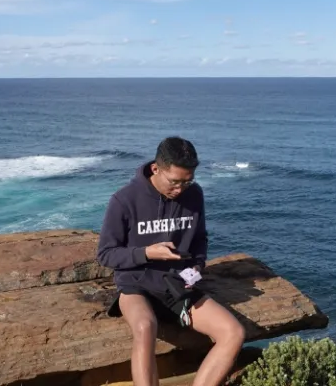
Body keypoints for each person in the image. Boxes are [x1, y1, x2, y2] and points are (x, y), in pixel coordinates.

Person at [97, 136, 245, 386]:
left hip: (178, 284)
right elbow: (106, 254)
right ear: (156, 168)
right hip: (137, 283)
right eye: (174, 182)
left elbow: (199, 239)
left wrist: (197, 266)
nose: (180, 189)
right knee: (145, 328)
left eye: (187, 182)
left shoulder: (194, 195)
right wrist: (146, 253)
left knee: (233, 332)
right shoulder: (124, 200)